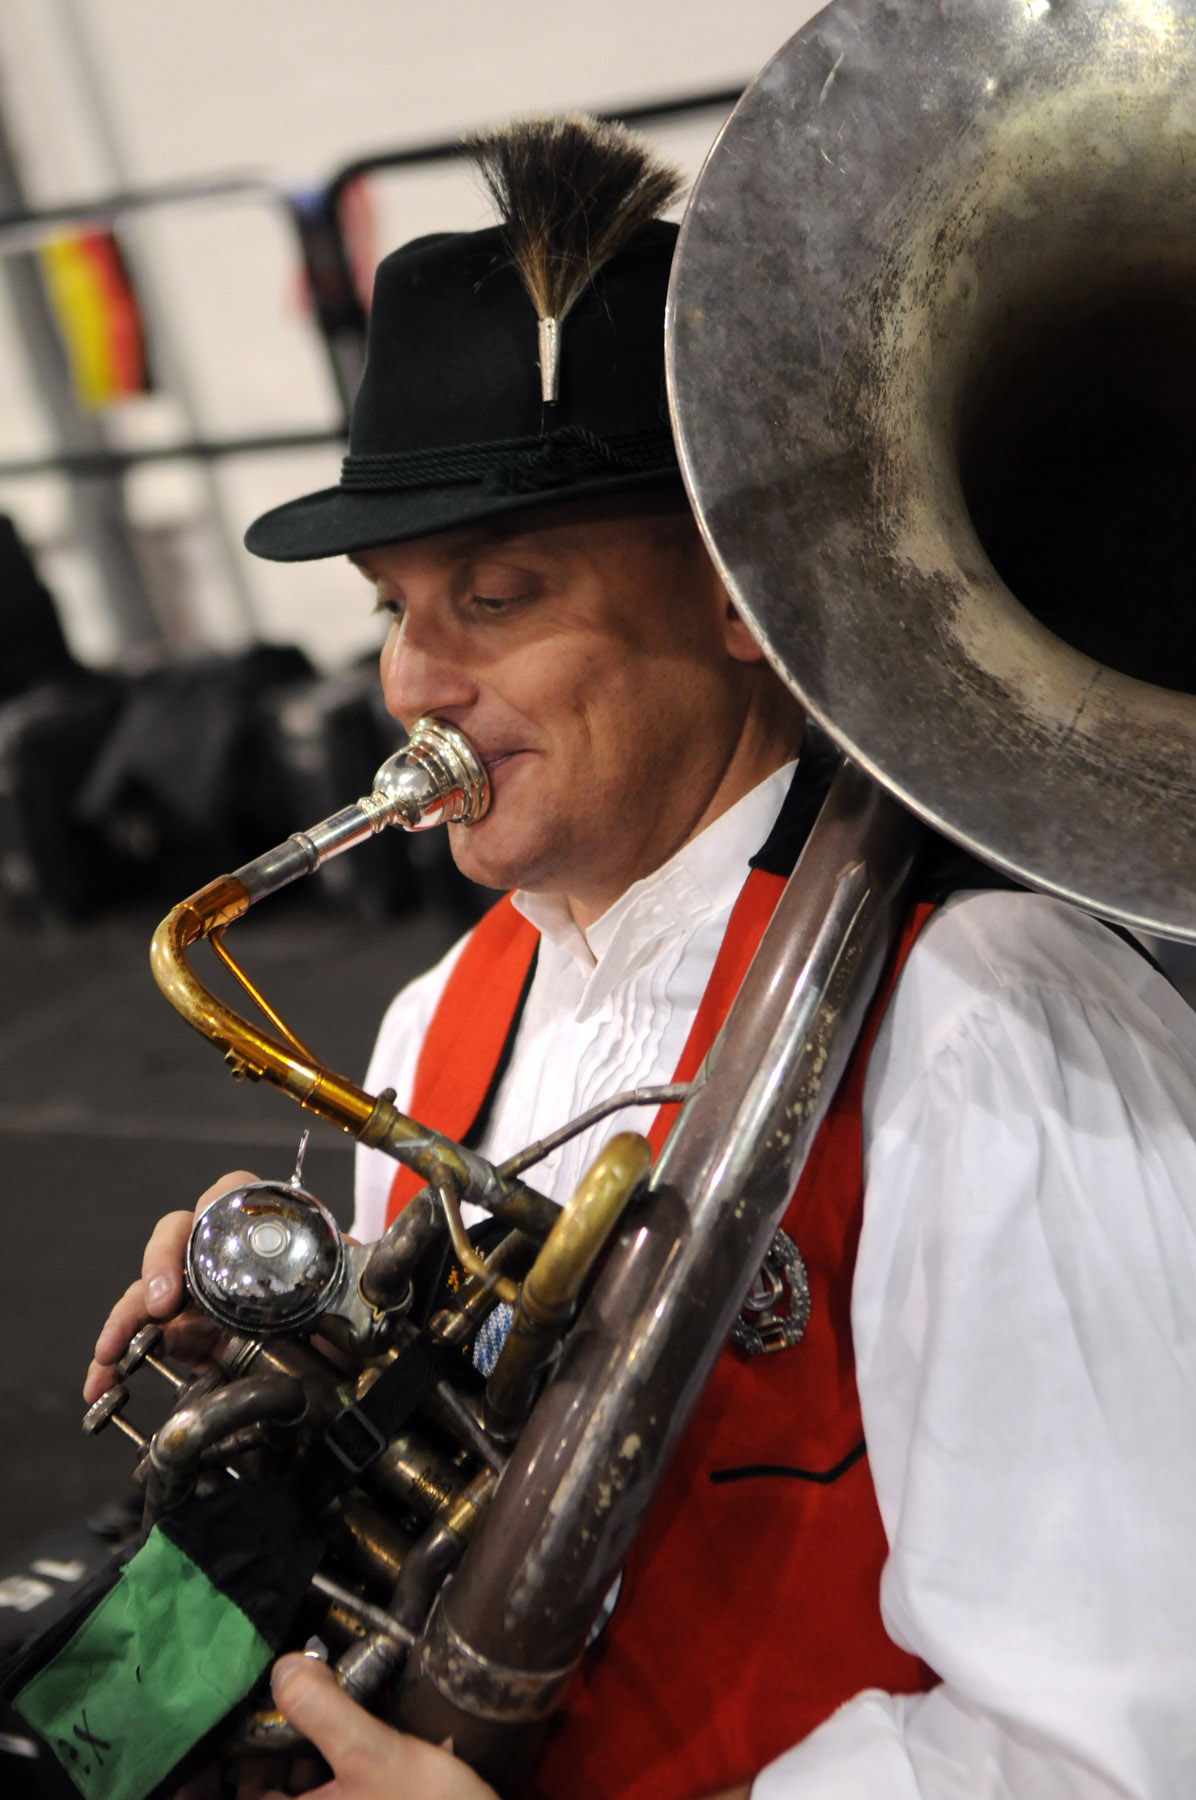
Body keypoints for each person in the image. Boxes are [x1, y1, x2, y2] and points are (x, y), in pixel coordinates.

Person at [83, 116, 1196, 1800]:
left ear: (745, 594)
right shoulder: (430, 1019)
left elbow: (1124, 1744)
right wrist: (292, 1384)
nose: (408, 682)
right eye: (395, 607)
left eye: (499, 595)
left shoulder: (985, 1017)